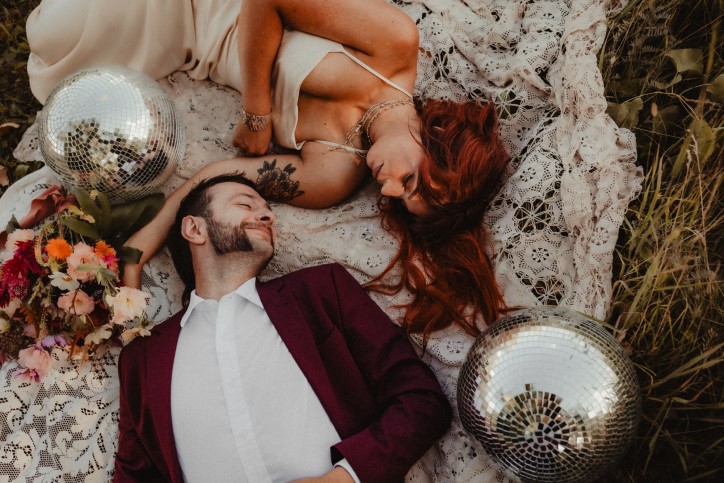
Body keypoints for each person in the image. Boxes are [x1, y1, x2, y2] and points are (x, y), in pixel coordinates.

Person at [28, 0, 509, 342]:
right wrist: (257, 114)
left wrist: (138, 249)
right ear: (439, 143)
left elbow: (217, 176)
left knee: (52, 34)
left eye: (398, 198)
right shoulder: (393, 44)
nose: (385, 186)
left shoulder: (331, 175)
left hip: (192, 46)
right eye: (409, 181)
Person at [114, 173, 452, 483]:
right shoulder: (142, 359)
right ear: (194, 229)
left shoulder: (320, 292)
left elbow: (421, 399)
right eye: (245, 204)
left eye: (267, 210)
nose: (268, 216)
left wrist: (344, 478)